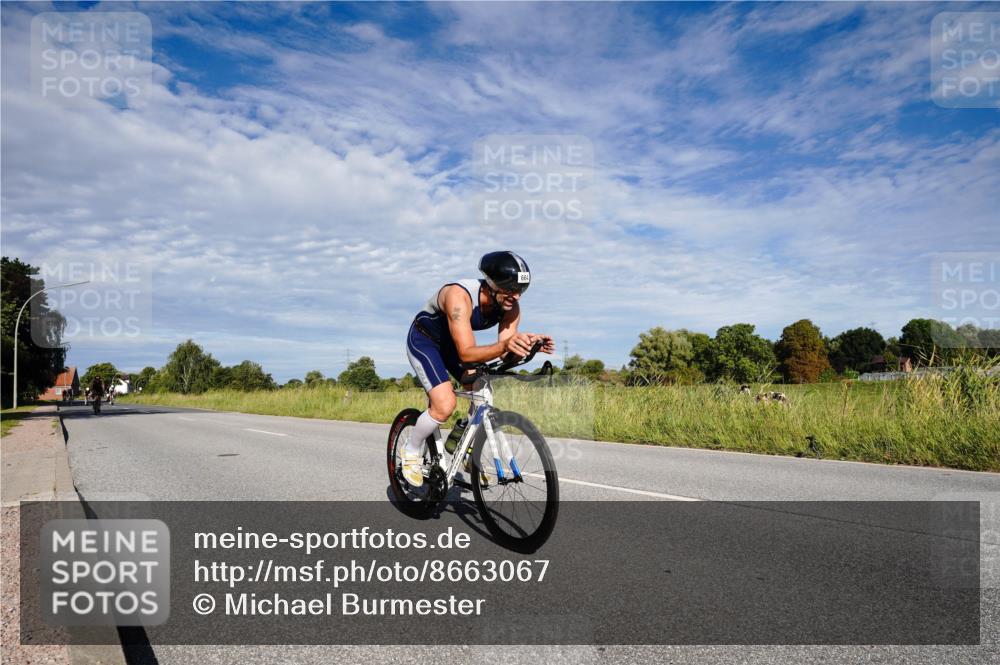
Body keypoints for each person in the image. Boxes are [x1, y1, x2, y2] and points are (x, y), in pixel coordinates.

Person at [401, 251, 554, 486]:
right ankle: (411, 451)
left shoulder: (511, 307)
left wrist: (527, 347)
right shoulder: (459, 297)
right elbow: (466, 353)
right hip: (426, 342)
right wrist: (504, 345)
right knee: (444, 405)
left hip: (456, 346)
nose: (516, 296)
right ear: (491, 284)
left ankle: (464, 444)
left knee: (480, 384)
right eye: (510, 289)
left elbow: (504, 352)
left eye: (521, 290)